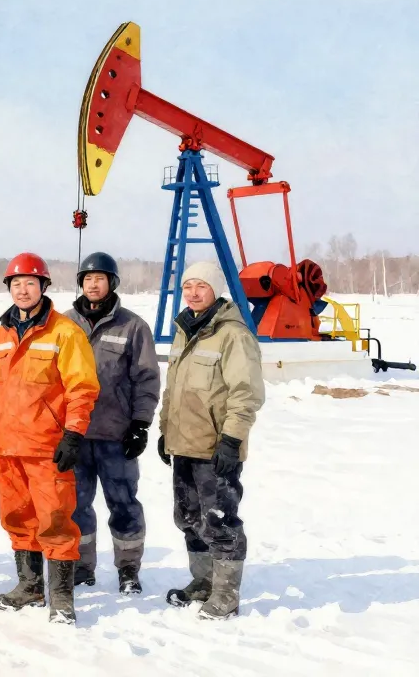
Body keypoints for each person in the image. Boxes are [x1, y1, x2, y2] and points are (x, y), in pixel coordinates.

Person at [0, 252, 99, 625]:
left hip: (48, 447)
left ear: (43, 286)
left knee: (55, 519)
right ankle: (29, 585)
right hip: (9, 446)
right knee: (17, 517)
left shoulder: (65, 332)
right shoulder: (0, 335)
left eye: (30, 283)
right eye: (16, 284)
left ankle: (61, 597)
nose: (22, 290)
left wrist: (74, 433)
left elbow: (82, 388)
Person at [158, 261, 264, 620]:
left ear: (215, 289)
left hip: (216, 448)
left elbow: (246, 393)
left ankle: (226, 595)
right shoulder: (184, 330)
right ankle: (203, 582)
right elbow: (173, 389)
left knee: (219, 520)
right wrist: (165, 431)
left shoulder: (233, 334)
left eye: (200, 286)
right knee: (188, 519)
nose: (193, 293)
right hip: (183, 444)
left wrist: (232, 440)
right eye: (187, 286)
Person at [64, 252, 160, 594]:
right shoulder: (64, 324)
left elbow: (146, 379)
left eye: (100, 278)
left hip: (116, 435)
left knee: (124, 504)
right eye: (87, 279)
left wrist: (140, 424)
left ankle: (129, 568)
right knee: (75, 505)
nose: (93, 284)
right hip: (73, 436)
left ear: (112, 283)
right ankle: (81, 566)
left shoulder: (133, 326)